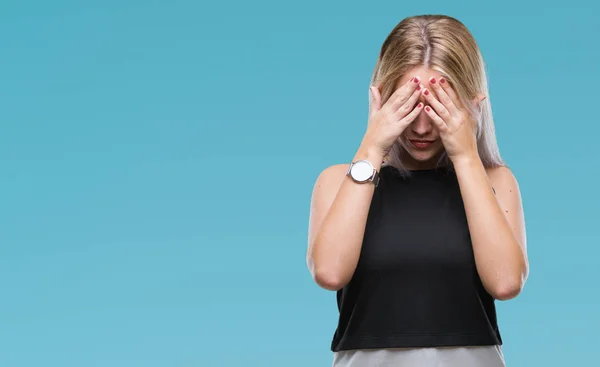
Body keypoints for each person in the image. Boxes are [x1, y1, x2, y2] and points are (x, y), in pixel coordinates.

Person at [306, 14, 529, 367]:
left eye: (437, 106)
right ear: (381, 98)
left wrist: (466, 155)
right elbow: (329, 273)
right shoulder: (338, 182)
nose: (422, 127)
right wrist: (372, 147)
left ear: (472, 102)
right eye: (408, 104)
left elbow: (505, 283)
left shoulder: (497, 182)